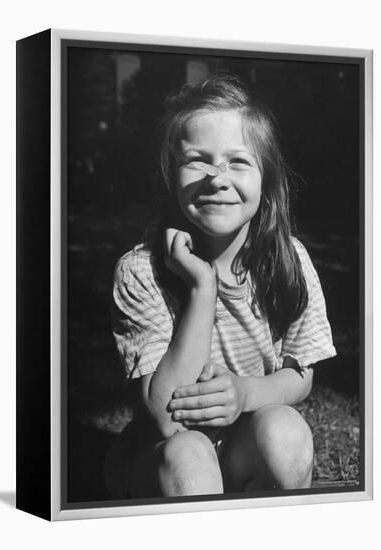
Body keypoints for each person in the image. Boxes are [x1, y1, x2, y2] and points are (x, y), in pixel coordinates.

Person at [104, 74, 336, 499]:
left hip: (245, 443)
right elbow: (167, 419)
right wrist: (201, 289)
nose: (217, 178)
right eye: (197, 160)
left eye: (238, 161)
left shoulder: (289, 260)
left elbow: (300, 375)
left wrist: (246, 392)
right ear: (169, 176)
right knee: (189, 453)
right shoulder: (140, 271)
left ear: (265, 178)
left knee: (285, 430)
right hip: (168, 461)